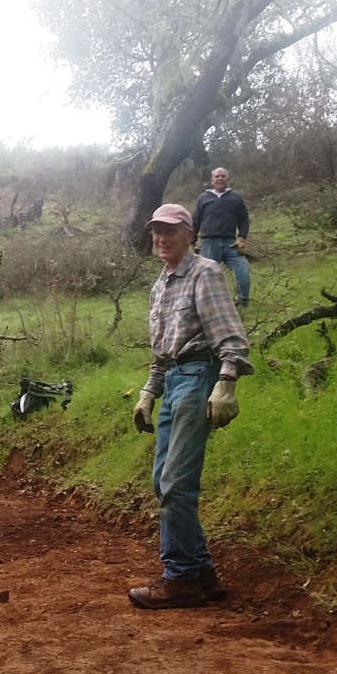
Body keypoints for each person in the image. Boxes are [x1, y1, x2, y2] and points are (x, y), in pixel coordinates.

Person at [129, 204, 253, 609]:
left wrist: (227, 384)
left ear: (189, 233)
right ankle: (202, 574)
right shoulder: (161, 285)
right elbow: (162, 352)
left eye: (171, 231)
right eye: (156, 232)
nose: (162, 238)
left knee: (176, 485)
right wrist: (150, 391)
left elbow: (230, 335)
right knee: (162, 483)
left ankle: (179, 579)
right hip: (174, 383)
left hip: (200, 378)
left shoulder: (204, 272)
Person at [193, 166, 251, 309]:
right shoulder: (203, 198)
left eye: (223, 176)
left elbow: (244, 219)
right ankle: (208, 304)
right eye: (217, 176)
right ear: (212, 180)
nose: (220, 179)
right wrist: (191, 242)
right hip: (208, 242)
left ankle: (243, 303)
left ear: (227, 179)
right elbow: (195, 221)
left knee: (243, 268)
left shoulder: (235, 197)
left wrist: (241, 238)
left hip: (230, 243)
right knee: (206, 275)